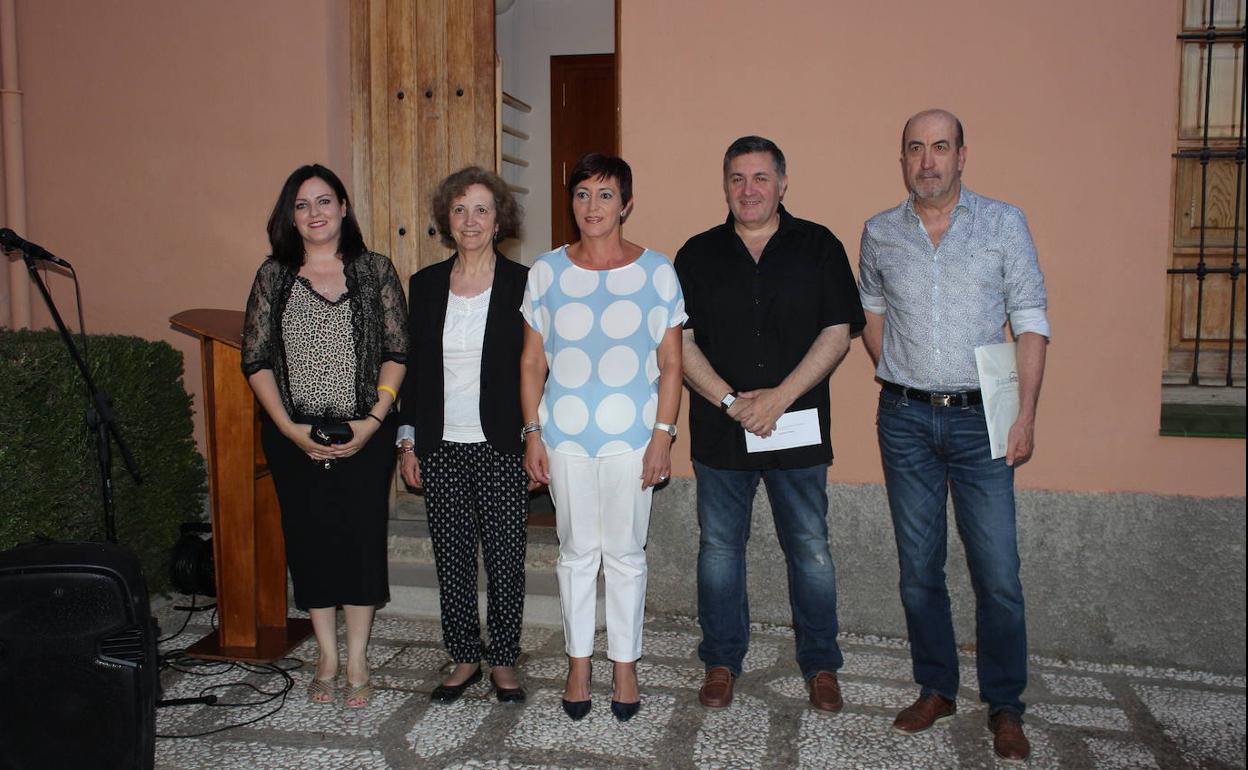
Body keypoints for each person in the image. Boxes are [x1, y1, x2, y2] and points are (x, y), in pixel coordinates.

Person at [858, 109, 1049, 762]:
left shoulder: (1004, 224)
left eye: (940, 147)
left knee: (998, 572)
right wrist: (903, 373)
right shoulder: (879, 233)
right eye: (915, 148)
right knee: (919, 569)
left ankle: (1006, 704)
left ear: (962, 155)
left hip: (982, 421)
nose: (927, 160)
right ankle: (937, 687)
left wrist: (1025, 416)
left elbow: (1031, 322)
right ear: (903, 159)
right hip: (905, 421)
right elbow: (872, 315)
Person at [675, 136, 864, 713]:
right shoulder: (697, 254)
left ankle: (821, 665)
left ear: (782, 183)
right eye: (737, 178)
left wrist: (778, 399)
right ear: (725, 185)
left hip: (797, 427)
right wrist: (732, 402)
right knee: (719, 549)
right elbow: (680, 341)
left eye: (760, 177)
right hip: (721, 431)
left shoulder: (819, 246)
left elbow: (838, 332)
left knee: (810, 548)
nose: (749, 189)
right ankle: (721, 660)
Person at [520, 153, 684, 722]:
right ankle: (578, 665)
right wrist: (532, 433)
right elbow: (531, 362)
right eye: (583, 194)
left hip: (634, 438)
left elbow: (671, 364)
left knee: (626, 555)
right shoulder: (545, 272)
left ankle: (625, 667)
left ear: (626, 204)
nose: (593, 206)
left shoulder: (657, 272)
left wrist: (663, 436)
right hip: (563, 436)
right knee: (575, 554)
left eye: (606, 194)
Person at [242, 164, 407, 708]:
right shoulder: (274, 276)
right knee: (310, 541)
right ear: (290, 216)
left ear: (343, 207)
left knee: (360, 541)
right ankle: (327, 656)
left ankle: (356, 657)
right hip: (294, 436)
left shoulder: (375, 270)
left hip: (365, 432)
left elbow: (396, 351)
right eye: (302, 204)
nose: (314, 213)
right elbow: (256, 359)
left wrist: (374, 419)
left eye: (324, 201)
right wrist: (288, 428)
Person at [396, 166, 529, 704]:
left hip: (502, 444)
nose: (470, 220)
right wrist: (408, 441)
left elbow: (539, 368)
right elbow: (413, 371)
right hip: (441, 444)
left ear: (498, 221)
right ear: (446, 221)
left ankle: (504, 659)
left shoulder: (524, 283)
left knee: (505, 558)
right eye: (459, 210)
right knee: (451, 558)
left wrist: (536, 438)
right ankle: (465, 656)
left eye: (481, 210)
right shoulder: (425, 285)